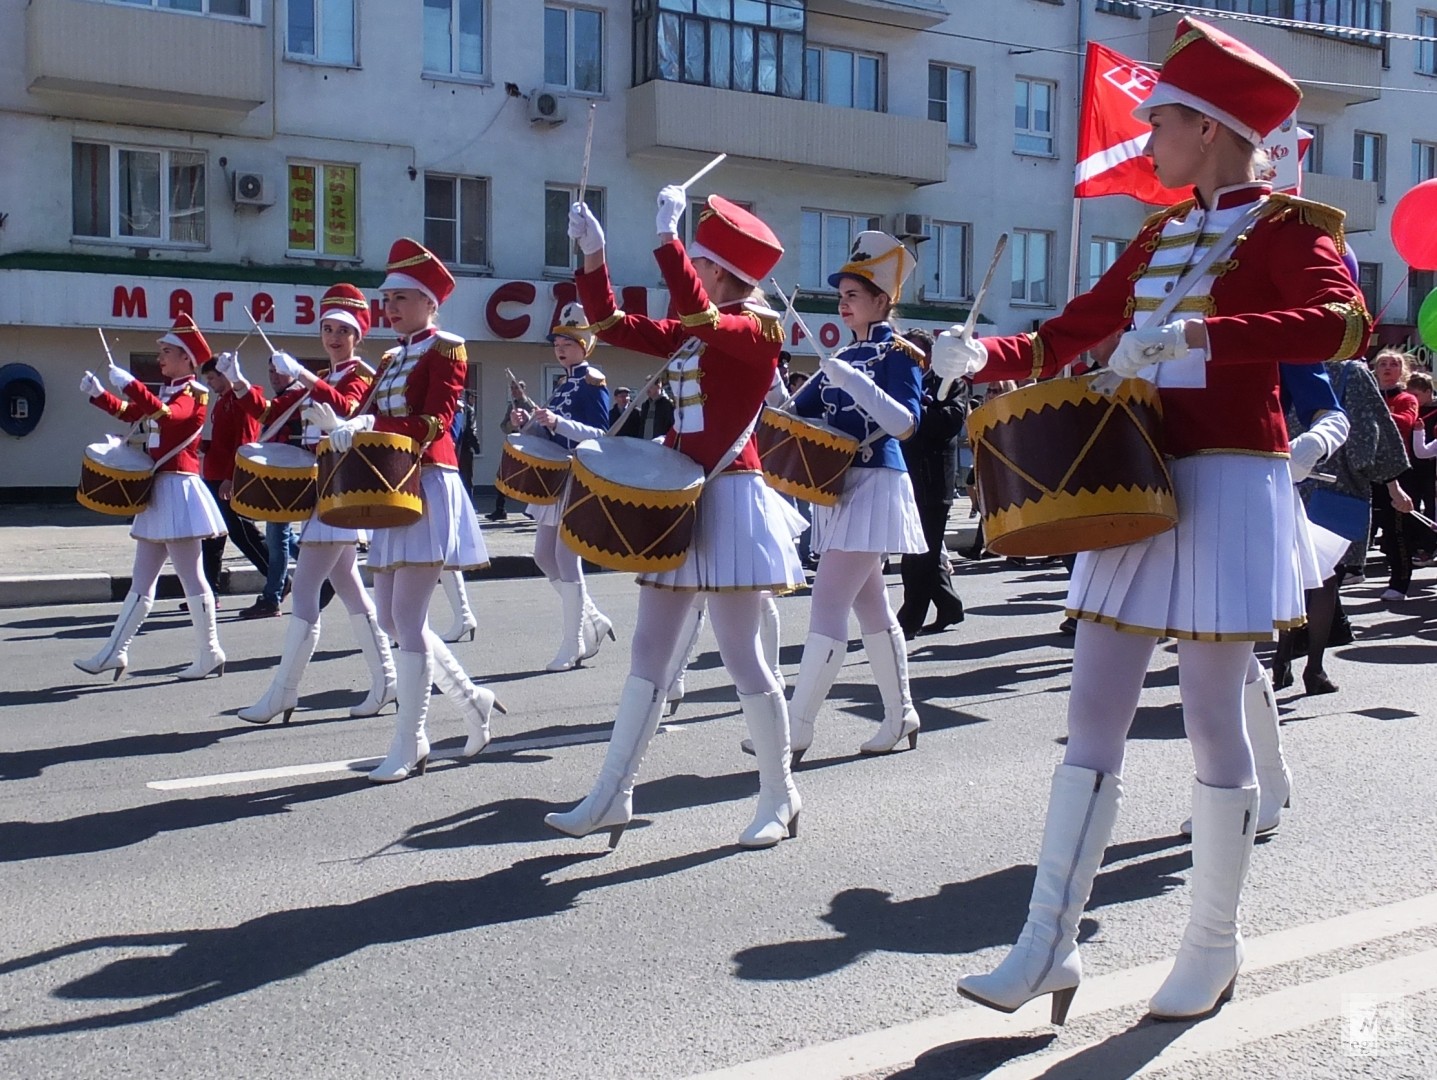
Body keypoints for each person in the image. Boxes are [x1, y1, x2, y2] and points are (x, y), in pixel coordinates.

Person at [931, 17, 1371, 1022]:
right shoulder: (1160, 232)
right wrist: (983, 359)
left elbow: (1343, 323)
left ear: (1210, 130)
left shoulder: (1292, 229)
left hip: (1226, 481)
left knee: (1214, 715)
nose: (1149, 138)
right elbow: (1072, 332)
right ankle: (1047, 944)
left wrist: (1208, 330)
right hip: (1134, 485)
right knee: (1091, 714)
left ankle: (1212, 945)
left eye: (1162, 121)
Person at [544, 187, 806, 849]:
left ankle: (779, 794)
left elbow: (705, 318)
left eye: (697, 259)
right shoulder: (696, 333)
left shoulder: (757, 328)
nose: (690, 267)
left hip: (731, 498)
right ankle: (612, 793)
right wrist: (593, 252)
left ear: (719, 273)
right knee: (647, 650)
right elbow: (608, 326)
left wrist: (665, 241)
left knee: (744, 655)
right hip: (681, 501)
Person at [305, 239, 503, 783]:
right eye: (386, 297)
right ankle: (471, 701)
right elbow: (363, 411)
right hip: (390, 487)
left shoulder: (447, 348)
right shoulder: (392, 357)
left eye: (400, 297)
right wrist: (341, 423)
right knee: (391, 617)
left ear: (427, 301)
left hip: (428, 484)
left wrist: (369, 427)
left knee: (407, 619)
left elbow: (439, 421)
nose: (388, 307)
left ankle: (412, 740)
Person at [759, 230, 926, 764]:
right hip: (836, 487)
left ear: (883, 300)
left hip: (876, 481)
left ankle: (796, 729)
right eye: (842, 296)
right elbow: (794, 416)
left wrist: (854, 381)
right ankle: (901, 714)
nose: (844, 303)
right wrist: (768, 377)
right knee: (870, 605)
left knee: (828, 603)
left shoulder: (899, 354)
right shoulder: (845, 352)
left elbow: (904, 424)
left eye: (854, 294)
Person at [236, 284, 398, 725]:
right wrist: (241, 382)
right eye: (327, 328)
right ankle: (387, 681)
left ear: (358, 334)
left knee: (305, 590)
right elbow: (273, 413)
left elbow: (346, 408)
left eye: (343, 330)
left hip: (340, 487)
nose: (333, 337)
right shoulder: (324, 377)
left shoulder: (360, 373)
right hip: (322, 489)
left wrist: (306, 378)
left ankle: (282, 692)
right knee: (349, 589)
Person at [76, 314, 228, 681]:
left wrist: (131, 384)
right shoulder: (166, 390)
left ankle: (210, 652)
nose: (160, 357)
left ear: (188, 360)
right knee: (141, 580)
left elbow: (171, 418)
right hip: (160, 490)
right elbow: (135, 414)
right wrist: (100, 395)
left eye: (167, 352)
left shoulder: (195, 393)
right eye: (160, 351)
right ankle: (115, 651)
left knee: (192, 577)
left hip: (178, 489)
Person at [1275, 357, 1407, 695]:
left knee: (1293, 572)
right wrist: (1383, 479)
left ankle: (1281, 660)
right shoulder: (1351, 372)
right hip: (1338, 483)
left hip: (1287, 475)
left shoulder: (1286, 359)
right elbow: (1369, 432)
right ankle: (1314, 669)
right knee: (1325, 578)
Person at [511, 302, 617, 672]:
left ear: (585, 345)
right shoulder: (562, 384)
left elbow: (600, 434)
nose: (561, 348)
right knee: (543, 556)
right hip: (555, 478)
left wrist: (557, 423)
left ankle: (573, 644)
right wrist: (530, 422)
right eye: (557, 342)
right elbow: (549, 430)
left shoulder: (592, 382)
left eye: (569, 342)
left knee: (565, 557)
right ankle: (593, 619)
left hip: (577, 475)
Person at [895, 327, 966, 640]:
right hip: (905, 479)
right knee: (925, 551)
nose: (914, 358)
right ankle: (950, 607)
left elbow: (951, 420)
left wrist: (915, 413)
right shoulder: (900, 383)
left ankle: (907, 622)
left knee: (918, 557)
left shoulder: (952, 383)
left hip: (934, 482)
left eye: (918, 352)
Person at [197, 352, 268, 596]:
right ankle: (210, 591)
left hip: (230, 478)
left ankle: (277, 578)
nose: (209, 384)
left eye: (212, 378)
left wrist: (231, 477)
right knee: (211, 536)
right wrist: (206, 446)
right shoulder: (222, 400)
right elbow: (225, 439)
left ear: (225, 375)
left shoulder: (243, 400)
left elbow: (245, 442)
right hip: (214, 475)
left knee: (243, 533)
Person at [1371, 348, 1420, 600]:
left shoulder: (1406, 398)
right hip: (1367, 468)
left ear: (1402, 371)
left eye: (1394, 364)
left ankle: (1399, 582)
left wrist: (1374, 415)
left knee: (1396, 529)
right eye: (1383, 364)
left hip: (1398, 470)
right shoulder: (1366, 396)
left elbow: (1404, 422)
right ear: (1375, 369)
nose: (1388, 368)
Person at [489, 380, 537, 521]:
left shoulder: (529, 405)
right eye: (512, 388)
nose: (514, 391)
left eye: (516, 388)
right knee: (503, 475)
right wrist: (512, 424)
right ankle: (500, 509)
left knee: (532, 479)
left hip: (527, 447)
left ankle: (534, 510)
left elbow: (534, 427)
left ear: (523, 389)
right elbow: (504, 426)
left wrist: (523, 423)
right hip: (513, 446)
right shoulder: (512, 406)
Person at [1406, 370, 1437, 565]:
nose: (1413, 400)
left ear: (1428, 392)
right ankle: (1425, 546)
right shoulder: (1414, 411)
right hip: (1424, 471)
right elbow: (1422, 451)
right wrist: (1418, 432)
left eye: (1416, 395)